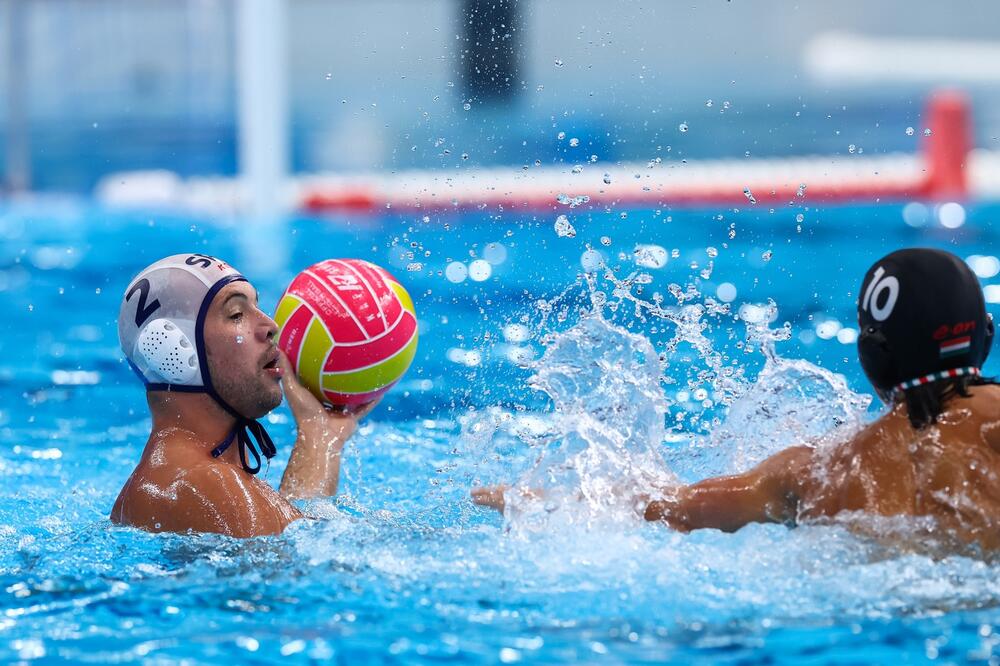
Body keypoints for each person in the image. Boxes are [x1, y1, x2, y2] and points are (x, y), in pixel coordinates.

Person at [474, 248, 1000, 551]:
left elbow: (669, 506)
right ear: (985, 336)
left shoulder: (819, 472)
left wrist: (533, 498)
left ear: (873, 357)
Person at [111, 253, 377, 538]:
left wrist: (319, 434)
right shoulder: (203, 485)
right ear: (172, 350)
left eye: (257, 307)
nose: (271, 326)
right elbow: (310, 574)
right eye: (237, 314)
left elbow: (293, 536)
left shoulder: (193, 478)